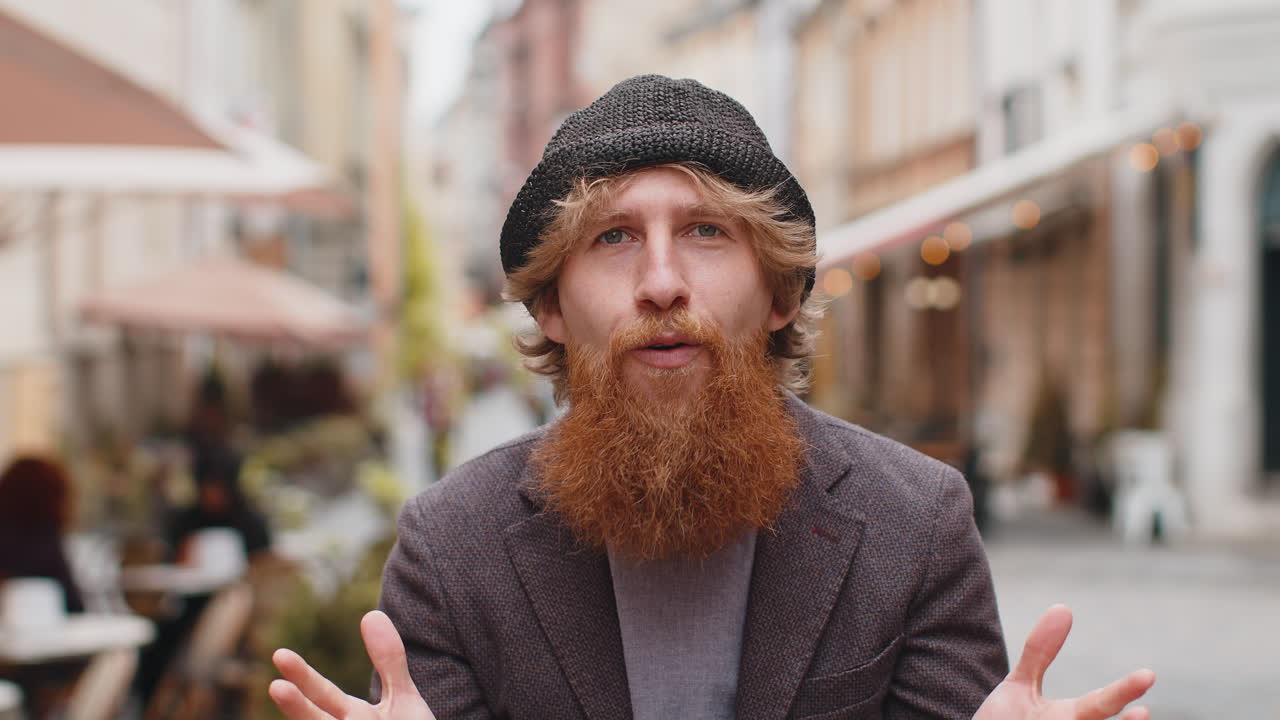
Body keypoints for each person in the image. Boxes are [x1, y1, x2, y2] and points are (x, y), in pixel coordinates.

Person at [268, 75, 1155, 719]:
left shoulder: (914, 523)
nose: (661, 282)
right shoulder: (451, 548)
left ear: (780, 295)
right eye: (613, 237)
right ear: (551, 306)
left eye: (706, 232)